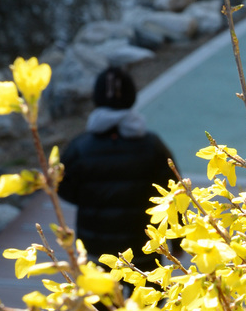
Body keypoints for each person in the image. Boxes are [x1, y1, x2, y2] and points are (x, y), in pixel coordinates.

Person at [58, 66, 176, 272]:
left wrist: (90, 200)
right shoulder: (151, 145)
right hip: (144, 246)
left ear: (96, 98)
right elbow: (173, 192)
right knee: (148, 292)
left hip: (96, 246)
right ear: (131, 98)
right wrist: (178, 241)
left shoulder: (80, 147)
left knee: (99, 293)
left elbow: (62, 186)